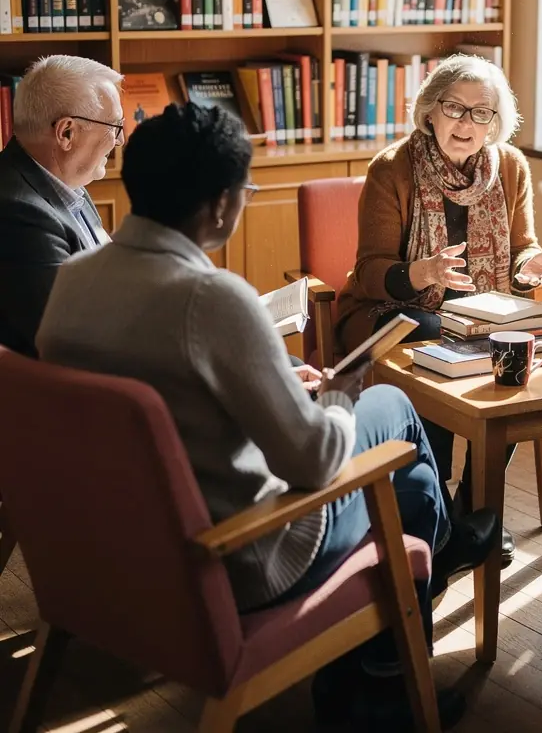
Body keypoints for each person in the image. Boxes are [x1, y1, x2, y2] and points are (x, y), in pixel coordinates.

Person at [36, 104, 498, 730]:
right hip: (241, 558)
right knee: (389, 411)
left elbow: (166, 401)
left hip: (114, 551)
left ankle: (411, 597)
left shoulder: (72, 282)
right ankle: (393, 652)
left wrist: (276, 385)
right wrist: (339, 394)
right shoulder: (212, 299)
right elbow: (312, 462)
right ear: (224, 205)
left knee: (409, 485)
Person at [334, 54, 542, 566]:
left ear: (496, 122)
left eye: (481, 112)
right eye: (454, 108)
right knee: (431, 335)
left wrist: (532, 267)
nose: (466, 123)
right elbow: (371, 269)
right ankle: (437, 507)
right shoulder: (392, 168)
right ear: (430, 112)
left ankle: (474, 500)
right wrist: (423, 273)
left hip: (482, 313)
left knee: (517, 352)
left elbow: (521, 249)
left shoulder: (510, 167)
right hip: (394, 309)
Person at [0, 55, 123, 357]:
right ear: (66, 133)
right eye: (114, 127)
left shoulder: (64, 179)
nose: (118, 141)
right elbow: (68, 341)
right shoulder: (20, 213)